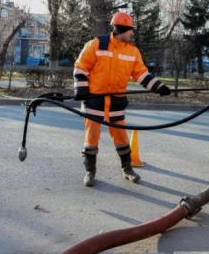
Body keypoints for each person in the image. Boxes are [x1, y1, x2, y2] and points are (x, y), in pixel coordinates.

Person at [73, 12, 171, 187]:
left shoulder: (132, 51)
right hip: (95, 99)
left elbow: (140, 74)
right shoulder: (96, 45)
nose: (132, 34)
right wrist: (81, 90)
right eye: (130, 30)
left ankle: (127, 168)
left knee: (120, 135)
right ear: (122, 29)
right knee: (92, 136)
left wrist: (158, 87)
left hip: (116, 100)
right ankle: (90, 172)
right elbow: (81, 67)